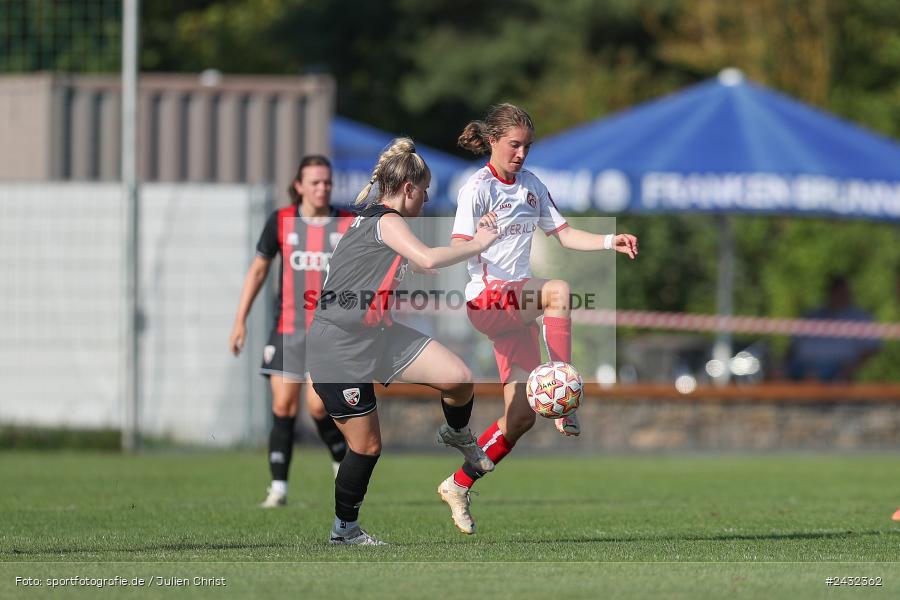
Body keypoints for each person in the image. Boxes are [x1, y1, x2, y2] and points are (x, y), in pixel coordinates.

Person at [437, 103, 639, 535]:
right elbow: (457, 245)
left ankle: (458, 484)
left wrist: (609, 240)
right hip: (487, 301)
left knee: (522, 417)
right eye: (514, 145)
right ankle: (567, 394)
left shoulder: (532, 186)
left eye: (527, 146)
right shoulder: (476, 188)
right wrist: (480, 238)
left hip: (517, 310)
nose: (522, 154)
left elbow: (564, 235)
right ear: (492, 141)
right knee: (557, 292)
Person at [307, 138, 499, 546]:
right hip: (339, 347)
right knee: (368, 446)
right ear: (408, 187)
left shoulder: (376, 221)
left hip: (376, 336)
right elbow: (428, 257)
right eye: (424, 189)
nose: (427, 197)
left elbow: (386, 260)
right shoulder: (386, 219)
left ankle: (457, 434)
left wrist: (407, 263)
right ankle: (345, 532)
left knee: (459, 378)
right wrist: (480, 243)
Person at [229, 155, 353, 508]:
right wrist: (240, 320)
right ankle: (278, 488)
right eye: (314, 182)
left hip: (329, 333)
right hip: (288, 329)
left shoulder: (346, 223)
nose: (322, 188)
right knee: (283, 406)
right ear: (299, 186)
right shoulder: (281, 221)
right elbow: (257, 272)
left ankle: (340, 460)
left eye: (327, 182)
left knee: (318, 406)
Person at [785, 276, 880, 382]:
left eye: (842, 291)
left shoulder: (860, 317)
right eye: (835, 290)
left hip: (836, 369)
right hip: (800, 366)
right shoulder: (812, 315)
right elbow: (792, 348)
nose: (838, 295)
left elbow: (871, 349)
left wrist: (850, 369)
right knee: (778, 371)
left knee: (817, 378)